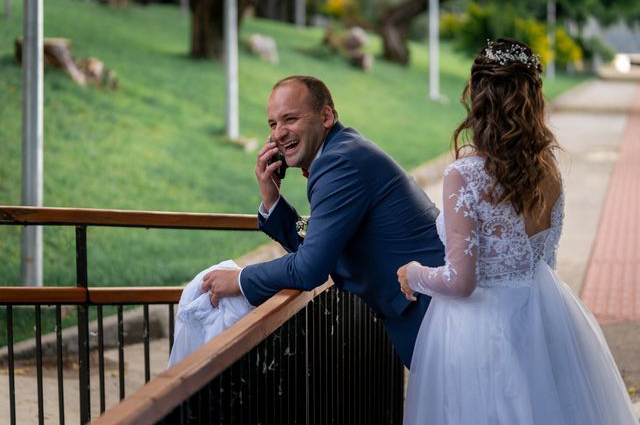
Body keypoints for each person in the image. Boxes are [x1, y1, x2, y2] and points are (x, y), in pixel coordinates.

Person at [397, 38, 637, 424]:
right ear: (533, 99)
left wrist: (413, 274)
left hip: (479, 332)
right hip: (543, 320)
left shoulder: (464, 176)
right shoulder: (549, 171)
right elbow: (546, 260)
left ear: (477, 95)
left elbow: (461, 281)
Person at [201, 75, 445, 368]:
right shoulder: (340, 151)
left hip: (434, 311)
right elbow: (319, 250)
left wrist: (240, 279)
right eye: (272, 124)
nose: (278, 134)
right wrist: (272, 200)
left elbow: (309, 268)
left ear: (326, 116)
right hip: (422, 309)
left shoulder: (339, 163)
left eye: (289, 119)